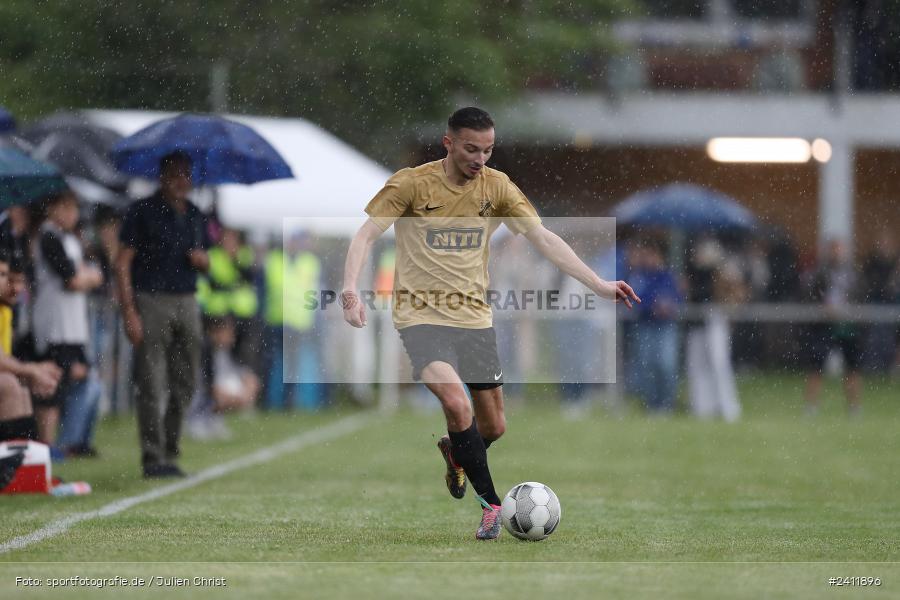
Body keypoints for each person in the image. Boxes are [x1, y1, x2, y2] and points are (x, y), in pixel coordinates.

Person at [341, 107, 639, 540]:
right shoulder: (411, 183)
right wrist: (350, 288)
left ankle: (456, 451)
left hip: (474, 320)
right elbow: (365, 234)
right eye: (470, 149)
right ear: (448, 143)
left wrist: (596, 283)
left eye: (488, 149)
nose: (480, 158)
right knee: (457, 406)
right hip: (420, 318)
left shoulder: (497, 187)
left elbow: (543, 238)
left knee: (494, 426)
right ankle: (491, 507)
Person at [116, 152, 209, 478]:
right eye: (174, 174)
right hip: (151, 299)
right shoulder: (142, 211)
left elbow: (208, 260)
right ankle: (153, 457)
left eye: (186, 174)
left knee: (186, 380)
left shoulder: (197, 214)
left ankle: (170, 447)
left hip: (187, 299)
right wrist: (129, 311)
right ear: (162, 176)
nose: (181, 180)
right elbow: (122, 262)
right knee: (152, 381)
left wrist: (203, 261)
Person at [31, 190, 104, 456]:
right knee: (52, 382)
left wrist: (87, 277)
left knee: (82, 378)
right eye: (67, 208)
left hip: (73, 326)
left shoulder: (70, 238)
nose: (72, 215)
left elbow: (94, 273)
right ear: (52, 208)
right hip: (54, 326)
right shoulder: (48, 235)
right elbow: (72, 279)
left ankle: (73, 441)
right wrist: (87, 278)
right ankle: (48, 445)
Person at [0, 248, 62, 443]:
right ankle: (10, 470)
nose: (15, 287)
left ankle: (28, 467)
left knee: (20, 386)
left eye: (20, 281)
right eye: (5, 277)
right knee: (9, 384)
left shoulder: (5, 312)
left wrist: (33, 371)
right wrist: (31, 370)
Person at [802, 239, 863, 416]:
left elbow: (861, 295)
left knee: (852, 368)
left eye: (840, 249)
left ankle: (855, 408)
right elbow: (811, 294)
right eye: (834, 250)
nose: (837, 253)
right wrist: (823, 308)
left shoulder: (853, 273)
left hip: (848, 326)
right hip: (825, 326)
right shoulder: (821, 272)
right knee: (816, 367)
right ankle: (811, 407)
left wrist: (851, 311)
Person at [628, 240, 683, 414]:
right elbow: (635, 300)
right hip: (646, 326)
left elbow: (678, 299)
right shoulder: (639, 277)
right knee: (647, 365)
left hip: (665, 326)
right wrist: (653, 306)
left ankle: (666, 404)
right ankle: (652, 404)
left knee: (666, 365)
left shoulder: (669, 276)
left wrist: (669, 306)